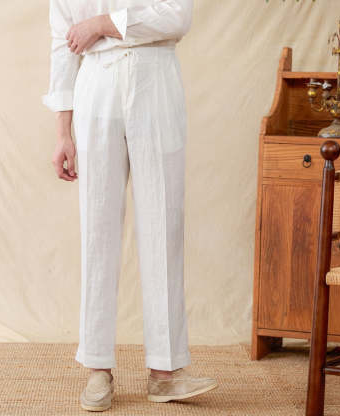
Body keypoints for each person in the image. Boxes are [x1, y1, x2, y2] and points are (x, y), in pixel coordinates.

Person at [42, 0, 218, 411]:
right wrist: (63, 132)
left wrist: (103, 23)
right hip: (96, 82)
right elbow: (61, 43)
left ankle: (165, 371)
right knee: (97, 228)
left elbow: (178, 15)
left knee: (164, 225)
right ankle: (97, 367)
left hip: (155, 78)